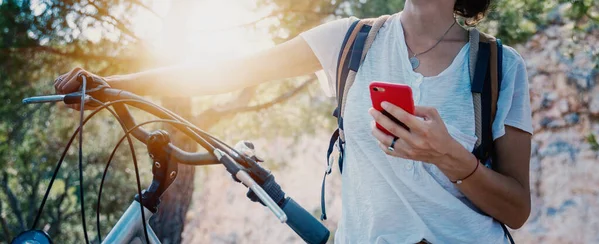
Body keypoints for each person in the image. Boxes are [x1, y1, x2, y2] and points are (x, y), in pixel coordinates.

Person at [54, 0, 533, 243]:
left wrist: (454, 160)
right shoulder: (351, 42)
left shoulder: (498, 66)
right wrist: (111, 82)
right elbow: (228, 71)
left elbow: (516, 209)